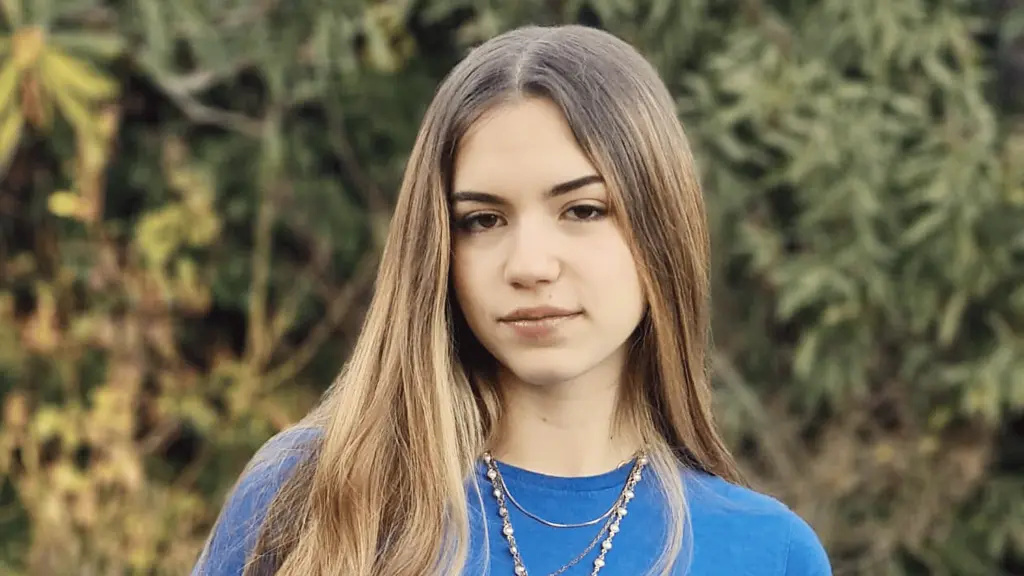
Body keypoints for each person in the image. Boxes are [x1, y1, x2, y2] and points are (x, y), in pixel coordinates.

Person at [191, 24, 833, 576]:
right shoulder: (311, 499)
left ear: (662, 227)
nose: (529, 265)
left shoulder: (767, 552)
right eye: (483, 220)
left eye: (582, 210)